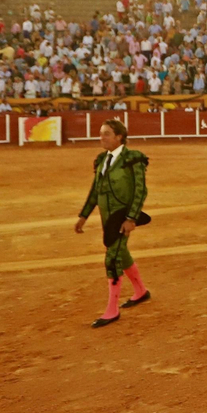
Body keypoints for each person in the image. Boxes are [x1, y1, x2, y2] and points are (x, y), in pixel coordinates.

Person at [74, 119, 152, 327]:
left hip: (121, 216)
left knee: (112, 257)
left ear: (119, 137)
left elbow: (140, 191)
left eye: (106, 133)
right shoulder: (101, 160)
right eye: (101, 133)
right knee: (120, 252)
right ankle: (141, 291)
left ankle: (112, 309)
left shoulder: (132, 159)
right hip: (106, 216)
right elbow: (95, 190)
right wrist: (84, 215)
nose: (102, 137)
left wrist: (131, 218)